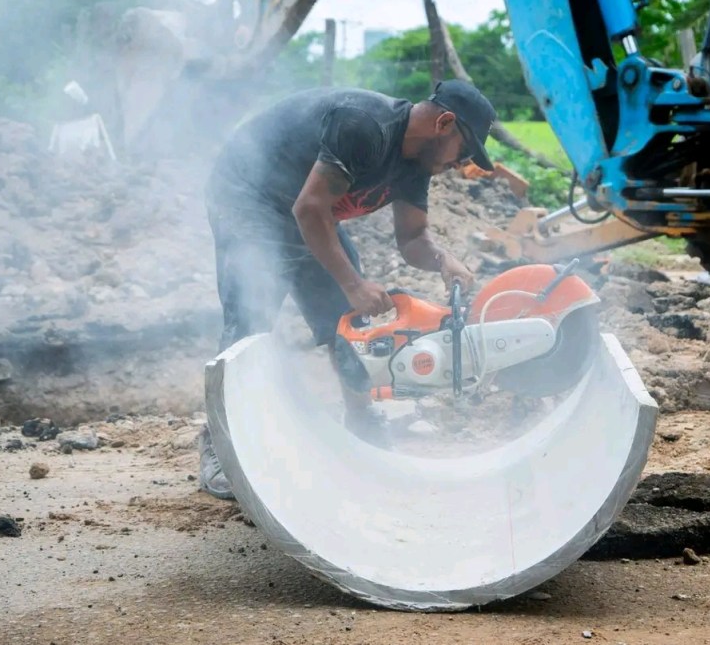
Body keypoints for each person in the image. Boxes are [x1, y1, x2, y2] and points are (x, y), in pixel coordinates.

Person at [199, 79, 498, 499]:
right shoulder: (365, 125)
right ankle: (220, 443)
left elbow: (412, 239)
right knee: (251, 311)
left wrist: (442, 259)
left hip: (304, 211)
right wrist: (354, 283)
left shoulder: (417, 166)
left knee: (346, 318)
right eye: (463, 151)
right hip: (249, 195)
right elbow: (310, 208)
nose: (460, 163)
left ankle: (361, 419)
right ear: (444, 123)